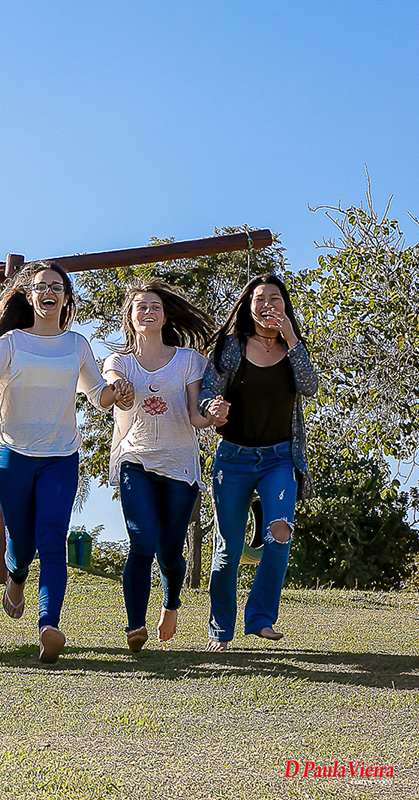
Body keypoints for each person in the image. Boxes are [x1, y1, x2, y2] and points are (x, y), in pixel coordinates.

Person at [0, 261, 130, 664]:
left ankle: (49, 625)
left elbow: (98, 395)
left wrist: (118, 391)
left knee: (53, 539)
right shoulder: (10, 343)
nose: (48, 292)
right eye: (41, 287)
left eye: (57, 286)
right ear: (29, 295)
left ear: (66, 297)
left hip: (61, 455)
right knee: (21, 546)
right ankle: (16, 578)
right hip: (14, 456)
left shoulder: (76, 345)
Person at [199, 273, 318, 652]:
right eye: (260, 299)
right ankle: (220, 631)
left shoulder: (293, 351)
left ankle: (261, 619)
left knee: (280, 531)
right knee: (228, 548)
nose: (269, 305)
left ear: (285, 306)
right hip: (233, 458)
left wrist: (292, 338)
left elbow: (310, 386)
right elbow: (207, 390)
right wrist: (211, 407)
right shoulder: (232, 347)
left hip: (279, 458)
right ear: (249, 308)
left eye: (276, 299)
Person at [102, 282, 220, 652]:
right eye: (140, 307)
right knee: (142, 542)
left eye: (154, 306)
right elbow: (112, 384)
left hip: (179, 466)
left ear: (164, 316)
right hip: (134, 459)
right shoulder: (119, 362)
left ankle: (170, 602)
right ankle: (134, 626)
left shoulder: (188, 361)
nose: (148, 311)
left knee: (170, 552)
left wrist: (212, 414)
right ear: (131, 318)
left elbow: (194, 416)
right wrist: (120, 387)